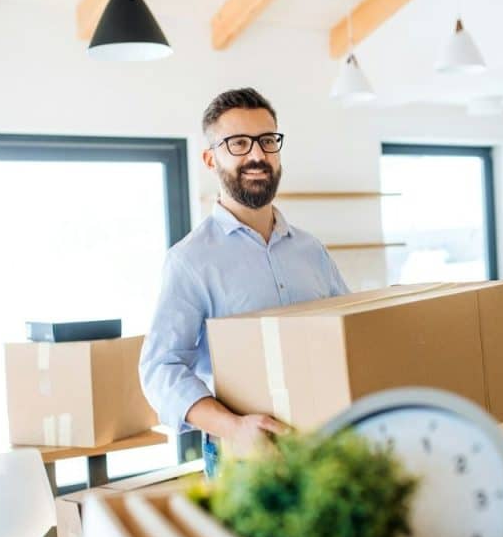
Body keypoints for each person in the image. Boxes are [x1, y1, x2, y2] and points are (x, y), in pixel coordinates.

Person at [140, 88, 350, 474]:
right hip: (245, 460)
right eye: (238, 143)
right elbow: (160, 369)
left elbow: (347, 335)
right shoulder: (190, 261)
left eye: (267, 141)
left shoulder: (310, 250)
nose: (257, 155)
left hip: (328, 447)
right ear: (210, 158)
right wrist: (233, 427)